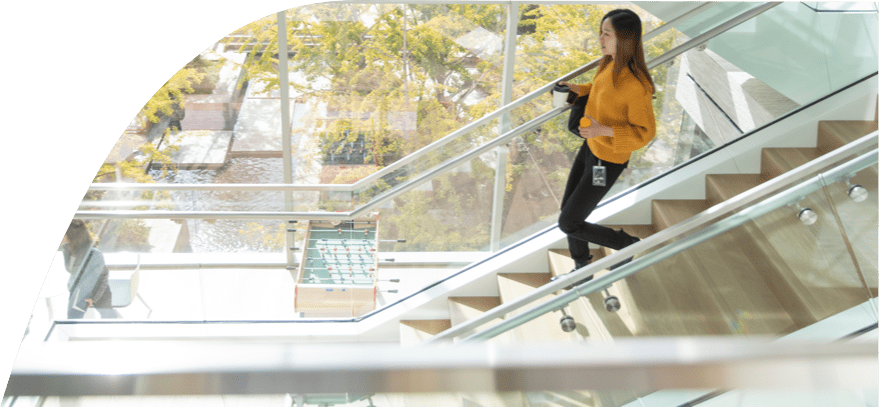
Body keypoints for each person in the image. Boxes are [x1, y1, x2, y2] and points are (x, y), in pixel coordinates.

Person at [552, 9, 656, 289]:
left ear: (623, 39)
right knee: (568, 212)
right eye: (601, 32)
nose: (600, 38)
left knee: (569, 222)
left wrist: (603, 130)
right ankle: (582, 268)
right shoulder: (609, 64)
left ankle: (626, 244)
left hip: (607, 161)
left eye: (606, 34)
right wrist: (574, 89)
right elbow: (598, 91)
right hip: (591, 149)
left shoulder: (636, 86)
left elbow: (644, 134)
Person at [60, 220, 119, 319]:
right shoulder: (68, 249)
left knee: (109, 317)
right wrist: (67, 249)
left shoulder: (94, 254)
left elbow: (103, 278)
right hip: (79, 289)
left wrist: (93, 298)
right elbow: (71, 271)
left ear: (72, 235)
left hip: (98, 291)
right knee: (72, 320)